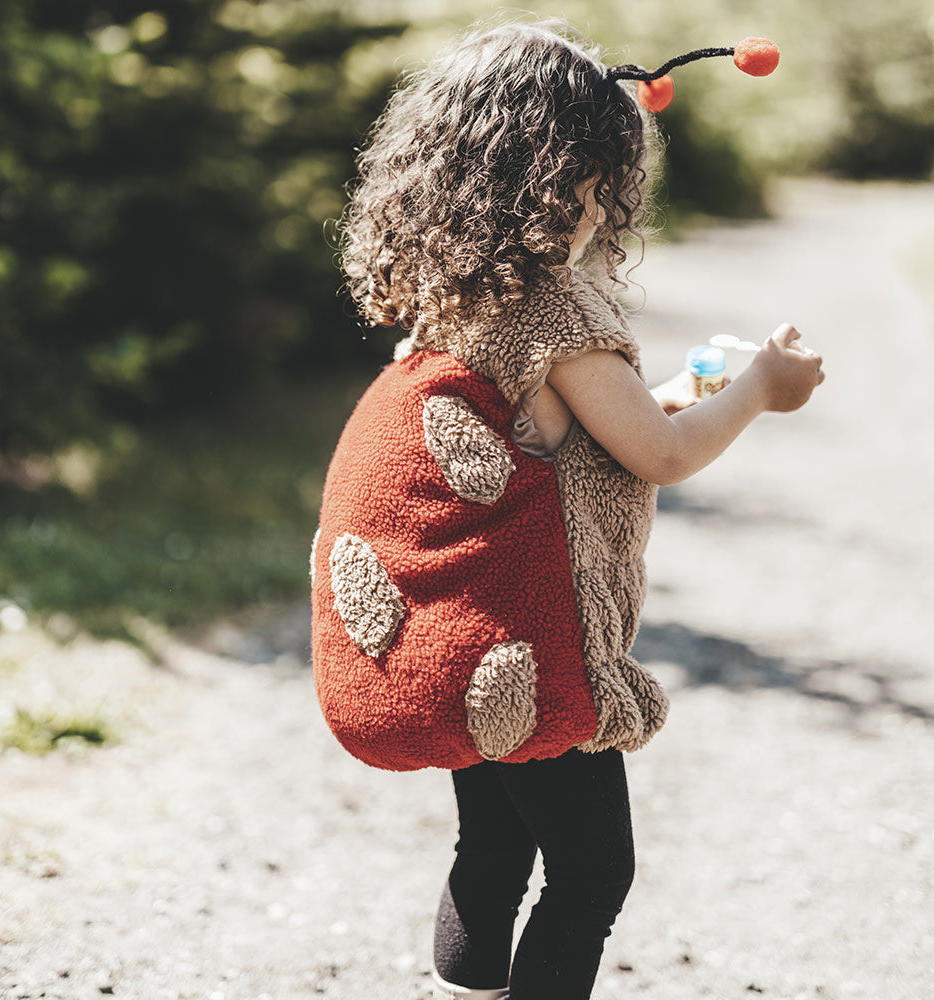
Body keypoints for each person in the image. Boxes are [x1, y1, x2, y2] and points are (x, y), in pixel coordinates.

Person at [310, 19, 825, 1000]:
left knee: (492, 838)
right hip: (535, 646)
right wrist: (759, 386)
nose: (604, 206)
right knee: (593, 871)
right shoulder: (556, 307)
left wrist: (674, 388)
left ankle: (460, 989)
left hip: (464, 643)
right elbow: (658, 452)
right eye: (600, 181)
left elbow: (569, 431)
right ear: (571, 179)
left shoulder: (456, 303)